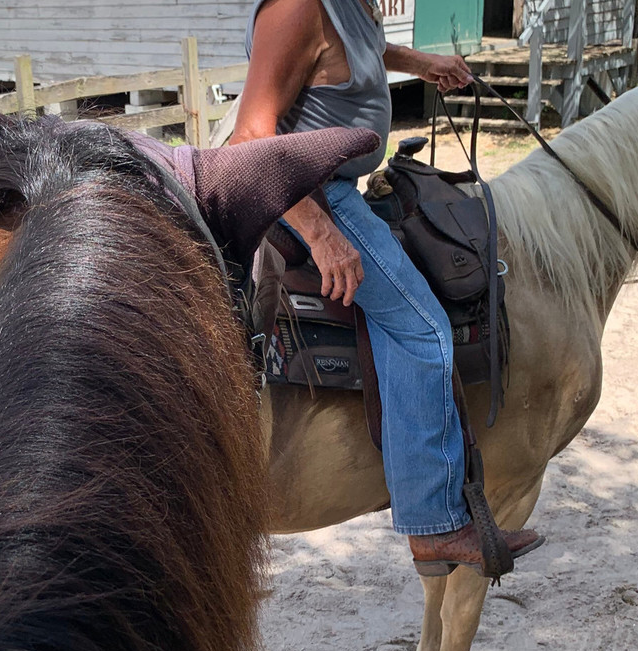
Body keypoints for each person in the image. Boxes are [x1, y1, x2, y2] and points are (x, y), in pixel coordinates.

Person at [231, 0, 543, 576]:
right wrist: (320, 233)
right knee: (423, 329)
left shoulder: (353, 6)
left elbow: (353, 53)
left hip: (337, 183)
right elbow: (250, 137)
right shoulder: (297, 7)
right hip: (311, 191)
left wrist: (419, 63)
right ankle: (436, 524)